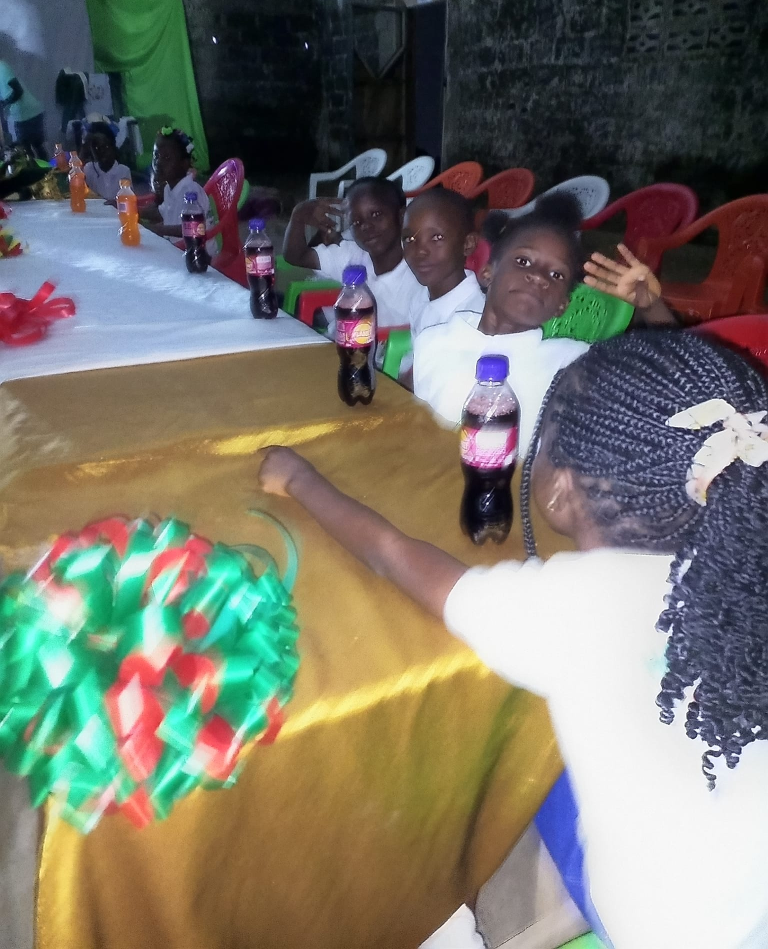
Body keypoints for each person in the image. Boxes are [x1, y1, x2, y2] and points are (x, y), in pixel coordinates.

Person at [257, 328, 768, 949]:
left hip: (660, 928)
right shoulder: (749, 560)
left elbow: (392, 557)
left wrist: (301, 480)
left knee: (456, 798)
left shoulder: (574, 602)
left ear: (559, 488)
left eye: (543, 439)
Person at [413, 192, 673, 457]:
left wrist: (652, 307)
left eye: (556, 274)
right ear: (488, 272)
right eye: (523, 261)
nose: (538, 277)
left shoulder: (570, 363)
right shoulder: (433, 341)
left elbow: (673, 387)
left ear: (562, 305)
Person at [282, 177, 422, 328]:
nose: (365, 226)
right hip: (342, 338)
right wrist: (298, 218)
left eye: (376, 215)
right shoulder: (353, 254)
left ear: (402, 216)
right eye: (356, 222)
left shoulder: (419, 273)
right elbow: (297, 256)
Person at [402, 188, 485, 337]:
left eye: (436, 238)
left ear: (468, 244)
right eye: (410, 239)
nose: (420, 251)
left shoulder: (474, 320)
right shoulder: (420, 296)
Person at [140, 127, 213, 245]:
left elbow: (193, 228)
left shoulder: (191, 191)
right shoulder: (169, 188)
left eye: (166, 158)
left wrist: (155, 229)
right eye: (156, 155)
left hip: (196, 250)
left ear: (184, 164)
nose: (158, 162)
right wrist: (132, 211)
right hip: (176, 247)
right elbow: (162, 213)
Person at [0, 59, 46, 159]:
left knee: (26, 151)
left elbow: (18, 90)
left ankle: (46, 168)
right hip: (28, 112)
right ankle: (48, 168)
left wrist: (4, 103)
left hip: (25, 114)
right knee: (35, 148)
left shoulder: (2, 67)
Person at [80, 121, 131, 202]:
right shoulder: (89, 169)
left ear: (113, 147)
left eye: (106, 147)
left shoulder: (123, 171)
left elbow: (129, 200)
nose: (102, 152)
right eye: (97, 148)